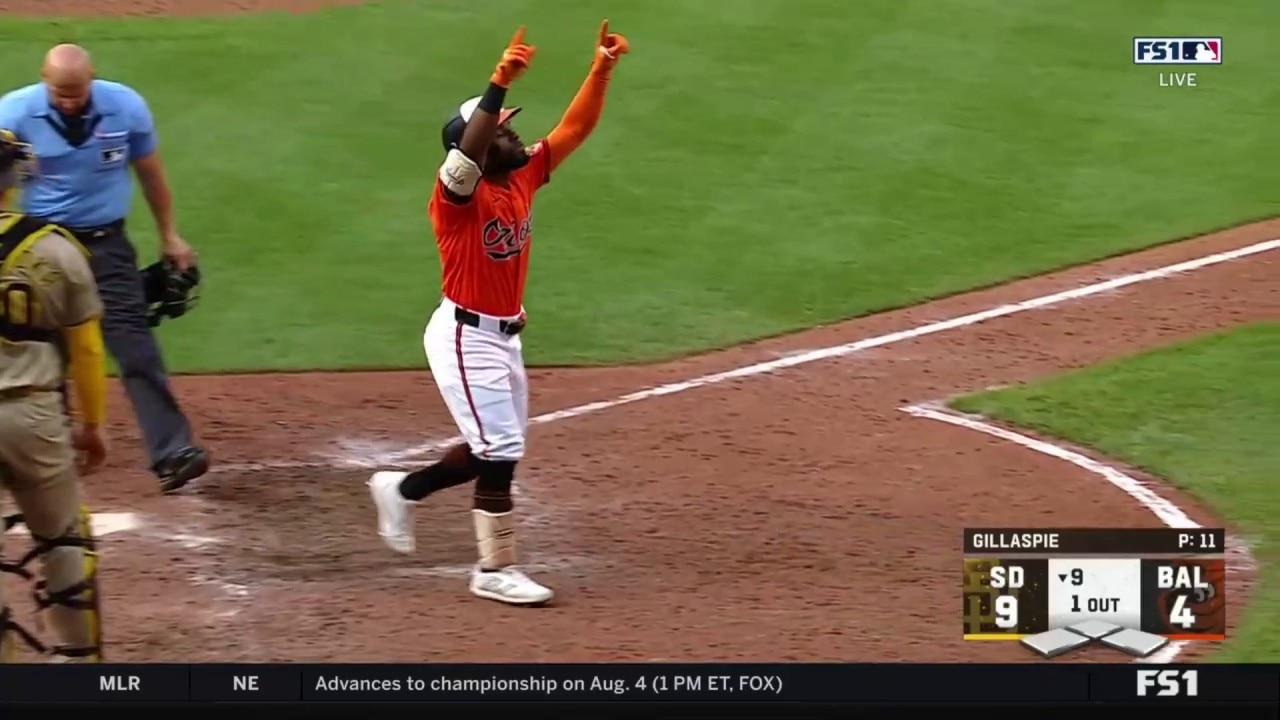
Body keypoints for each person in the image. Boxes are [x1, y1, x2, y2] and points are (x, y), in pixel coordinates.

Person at [369, 21, 629, 606]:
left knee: (492, 446)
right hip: (465, 336)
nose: (517, 136)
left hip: (503, 334)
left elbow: (576, 128)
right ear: (479, 145)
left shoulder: (522, 177)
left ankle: (403, 490)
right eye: (504, 130)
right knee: (502, 450)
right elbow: (467, 152)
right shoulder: (455, 196)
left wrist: (602, 67)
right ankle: (493, 569)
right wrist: (496, 83)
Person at [0, 44, 210, 494]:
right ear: (43, 79)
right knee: (44, 350)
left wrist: (169, 234)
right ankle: (49, 448)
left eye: (77, 92)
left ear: (92, 78)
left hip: (106, 244)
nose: (70, 101)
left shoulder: (125, 106)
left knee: (134, 344)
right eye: (61, 93)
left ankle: (172, 451)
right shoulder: (13, 113)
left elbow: (152, 173)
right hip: (42, 246)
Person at [0, 129, 108, 662]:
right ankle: (77, 665)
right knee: (65, 541)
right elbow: (86, 350)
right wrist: (92, 425)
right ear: (14, 178)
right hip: (34, 418)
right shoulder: (54, 247)